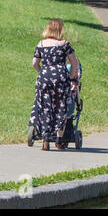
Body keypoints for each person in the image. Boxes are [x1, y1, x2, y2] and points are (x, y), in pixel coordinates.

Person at [29, 19, 79, 151]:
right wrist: (72, 75)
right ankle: (58, 140)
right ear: (60, 30)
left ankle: (45, 140)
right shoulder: (64, 44)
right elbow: (74, 62)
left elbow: (34, 63)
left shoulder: (41, 44)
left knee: (45, 107)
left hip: (45, 78)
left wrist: (43, 73)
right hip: (61, 78)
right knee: (60, 107)